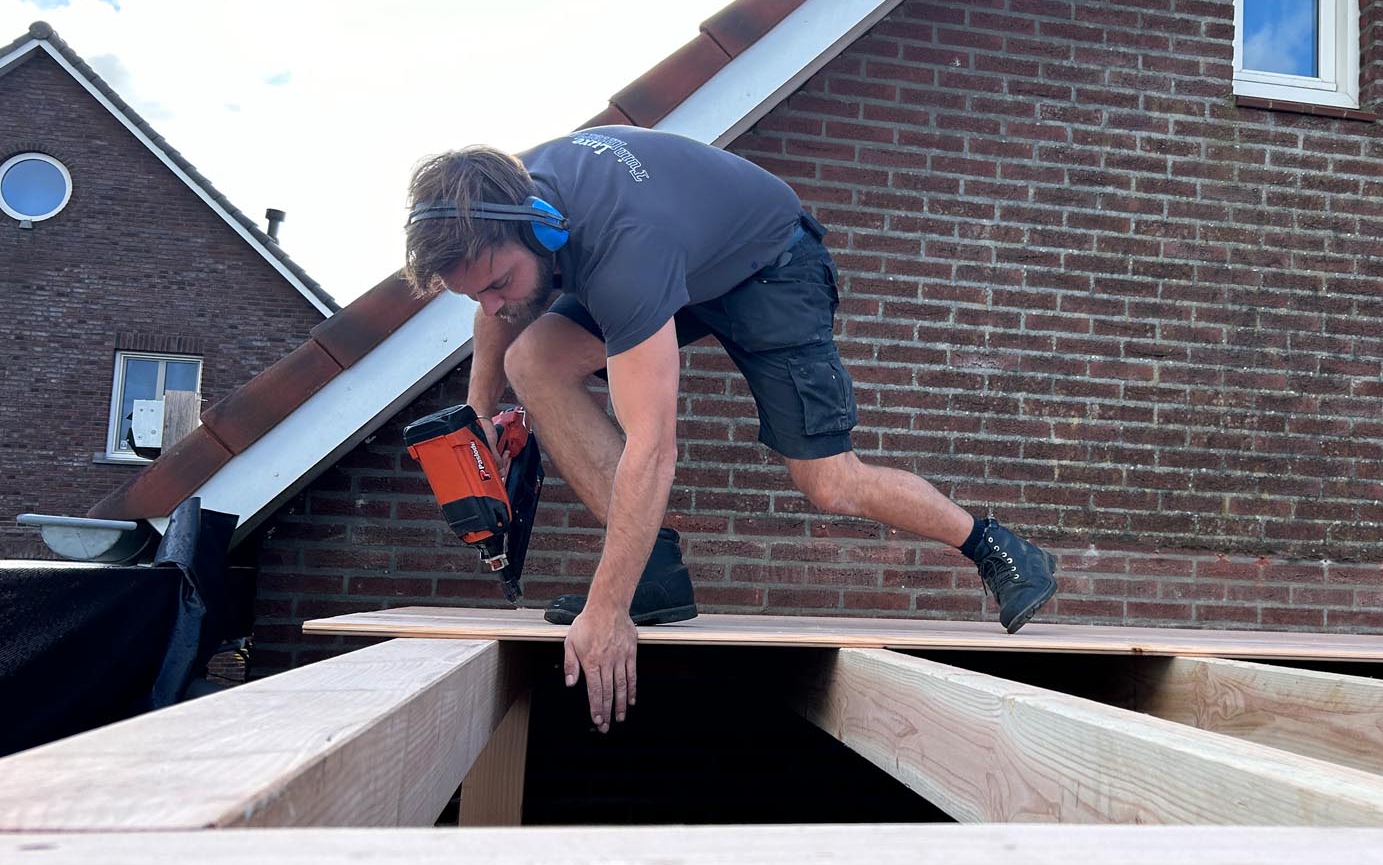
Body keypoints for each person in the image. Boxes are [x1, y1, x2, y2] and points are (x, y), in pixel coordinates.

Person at [402, 126, 1060, 731]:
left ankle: (996, 548)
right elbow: (499, 309)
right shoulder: (499, 200)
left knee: (829, 482)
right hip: (689, 258)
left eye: (499, 282)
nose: (492, 304)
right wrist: (479, 416)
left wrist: (606, 611)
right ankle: (654, 573)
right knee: (532, 360)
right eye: (475, 294)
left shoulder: (624, 252)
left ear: (542, 229)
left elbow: (653, 448)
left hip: (773, 266)